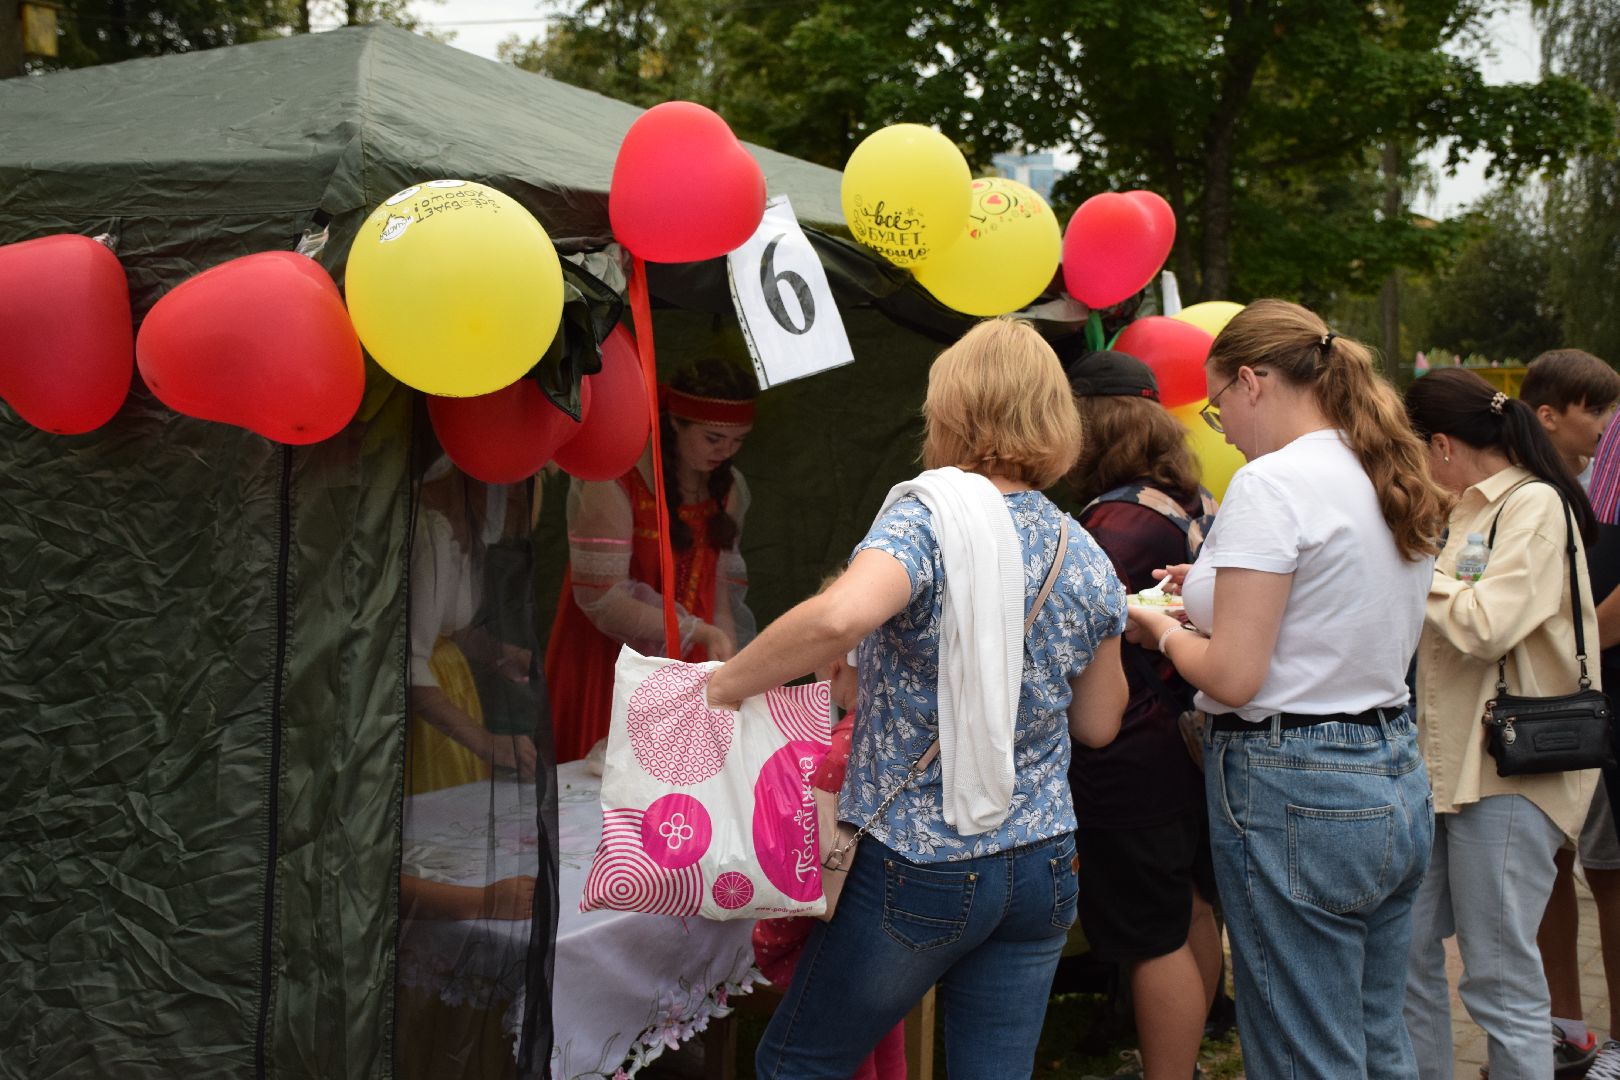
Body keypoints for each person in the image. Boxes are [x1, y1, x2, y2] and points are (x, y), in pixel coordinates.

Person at [706, 317, 1129, 1080]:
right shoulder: (1085, 549)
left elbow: (839, 616)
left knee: (799, 1063)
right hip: (1042, 862)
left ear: (951, 411)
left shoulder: (929, 520)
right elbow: (1100, 723)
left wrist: (723, 685)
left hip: (923, 854)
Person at [1124, 300, 1446, 1080]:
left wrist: (1159, 627)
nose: (1222, 426)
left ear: (1251, 381)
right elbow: (1328, 605)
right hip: (1390, 769)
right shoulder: (1384, 468)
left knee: (1307, 1052)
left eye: (1217, 404)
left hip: (1295, 785)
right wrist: (1205, 587)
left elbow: (1235, 675)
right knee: (1376, 1038)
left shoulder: (1271, 483)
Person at [1402, 366, 1602, 1080]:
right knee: (1405, 959)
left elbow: (1487, 625)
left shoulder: (1534, 504)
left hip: (1509, 772)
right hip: (1436, 767)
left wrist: (1409, 568)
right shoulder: (1454, 508)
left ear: (1444, 444)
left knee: (1498, 978)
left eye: (1412, 447)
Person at [1063, 350, 1220, 1080]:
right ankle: (1181, 1059)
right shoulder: (1183, 495)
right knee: (1186, 908)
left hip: (1130, 747)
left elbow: (1069, 625)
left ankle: (1168, 1071)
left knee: (1150, 933)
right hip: (1182, 738)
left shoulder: (1117, 521)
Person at [545, 359, 758, 763]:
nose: (726, 452)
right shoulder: (616, 478)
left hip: (692, 659)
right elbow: (601, 600)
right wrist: (696, 630)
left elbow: (720, 592)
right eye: (714, 438)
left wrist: (725, 661)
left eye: (738, 441)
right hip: (611, 660)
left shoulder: (728, 488)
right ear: (675, 423)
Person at [750, 632, 906, 1080]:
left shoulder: (834, 753)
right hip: (893, 930)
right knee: (884, 1041)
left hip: (838, 939)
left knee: (825, 1056)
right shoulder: (904, 732)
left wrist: (773, 942)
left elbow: (805, 870)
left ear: (834, 668)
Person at [1524, 350, 1620, 1073]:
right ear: (1550, 413)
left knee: (1607, 867)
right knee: (1549, 861)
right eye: (1596, 408)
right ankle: (1568, 1025)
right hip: (1551, 701)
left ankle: (1614, 1038)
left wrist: (1565, 646)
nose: (1606, 423)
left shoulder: (1598, 475)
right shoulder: (1528, 482)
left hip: (1588, 695)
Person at [1519, 349, 1620, 479]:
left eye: (1612, 408)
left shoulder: (1611, 476)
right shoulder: (1519, 488)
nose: (1610, 423)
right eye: (1597, 411)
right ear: (1548, 418)